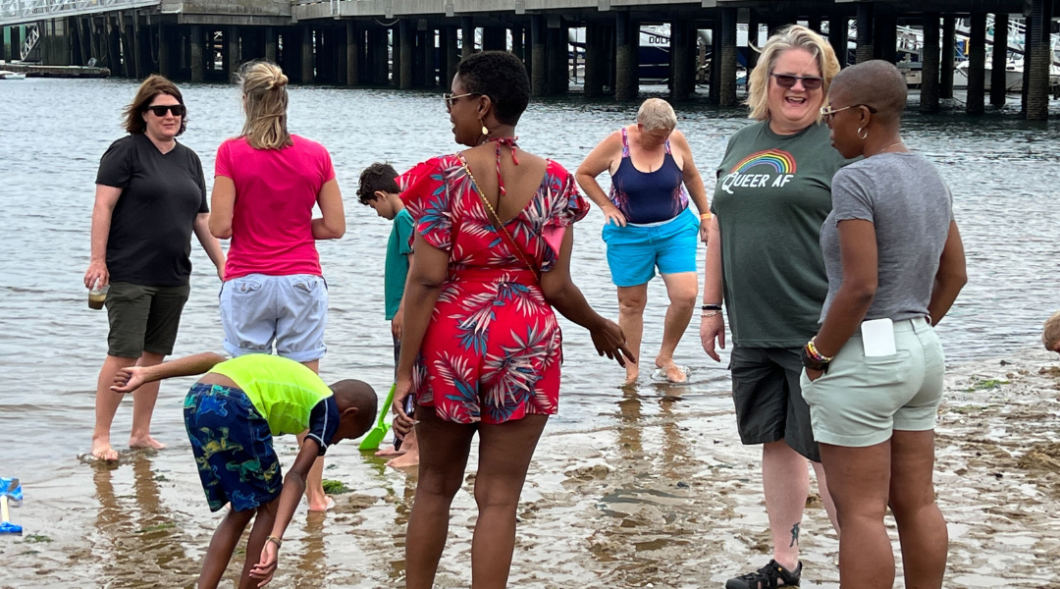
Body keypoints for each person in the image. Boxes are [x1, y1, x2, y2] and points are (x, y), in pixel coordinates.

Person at [391, 51, 633, 589]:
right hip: (526, 339)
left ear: (482, 105)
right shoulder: (555, 183)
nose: (448, 112)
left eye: (453, 100)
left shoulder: (441, 178)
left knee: (434, 484)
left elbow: (427, 279)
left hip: (454, 336)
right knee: (499, 498)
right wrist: (596, 322)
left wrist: (404, 373)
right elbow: (555, 284)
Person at [804, 60, 967, 589]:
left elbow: (860, 286)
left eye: (831, 115)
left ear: (862, 116)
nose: (827, 128)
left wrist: (818, 354)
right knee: (918, 501)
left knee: (862, 515)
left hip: (865, 358)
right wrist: (913, 329)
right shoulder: (930, 174)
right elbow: (955, 275)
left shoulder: (856, 178)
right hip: (922, 351)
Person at [699, 25, 846, 589]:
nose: (798, 88)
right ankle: (785, 563)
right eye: (786, 77)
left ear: (827, 86)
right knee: (776, 440)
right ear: (767, 80)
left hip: (816, 329)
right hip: (753, 328)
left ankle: (860, 563)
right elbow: (718, 229)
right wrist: (711, 308)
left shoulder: (837, 145)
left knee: (827, 455)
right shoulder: (742, 141)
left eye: (812, 80)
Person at [110, 352, 377, 589]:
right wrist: (275, 540)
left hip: (198, 400)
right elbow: (296, 475)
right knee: (272, 505)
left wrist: (147, 373)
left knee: (243, 509)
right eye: (346, 437)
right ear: (350, 413)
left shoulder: (297, 379)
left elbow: (212, 360)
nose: (335, 441)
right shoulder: (329, 410)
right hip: (236, 407)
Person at [209, 61, 346, 512]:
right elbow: (335, 227)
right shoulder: (316, 154)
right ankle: (314, 494)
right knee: (310, 390)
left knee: (245, 386)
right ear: (285, 101)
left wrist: (256, 221)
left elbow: (222, 227)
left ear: (245, 101)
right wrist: (291, 224)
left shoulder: (231, 152)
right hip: (302, 280)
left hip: (248, 278)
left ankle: (248, 492)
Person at [85, 75, 226, 462]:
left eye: (176, 110)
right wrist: (98, 259)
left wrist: (222, 262)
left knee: (154, 359)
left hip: (174, 275)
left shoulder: (190, 159)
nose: (169, 116)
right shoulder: (125, 151)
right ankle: (101, 437)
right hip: (129, 272)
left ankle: (140, 433)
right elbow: (103, 207)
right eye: (160, 110)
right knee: (123, 354)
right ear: (143, 114)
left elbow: (201, 218)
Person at [576, 98, 710, 385]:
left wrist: (707, 214)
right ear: (640, 127)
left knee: (686, 296)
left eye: (666, 136)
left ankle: (666, 356)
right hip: (629, 235)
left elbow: (692, 175)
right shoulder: (618, 143)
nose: (663, 141)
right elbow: (584, 174)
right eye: (656, 136)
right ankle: (632, 372)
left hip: (676, 229)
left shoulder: (675, 140)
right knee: (631, 304)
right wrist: (606, 206)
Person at [357, 162, 420, 469]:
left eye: (373, 206)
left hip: (408, 313)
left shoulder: (405, 218)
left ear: (381, 195)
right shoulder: (416, 214)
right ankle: (403, 442)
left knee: (407, 378)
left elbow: (415, 264)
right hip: (410, 312)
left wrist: (402, 311)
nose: (377, 213)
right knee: (407, 377)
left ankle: (412, 445)